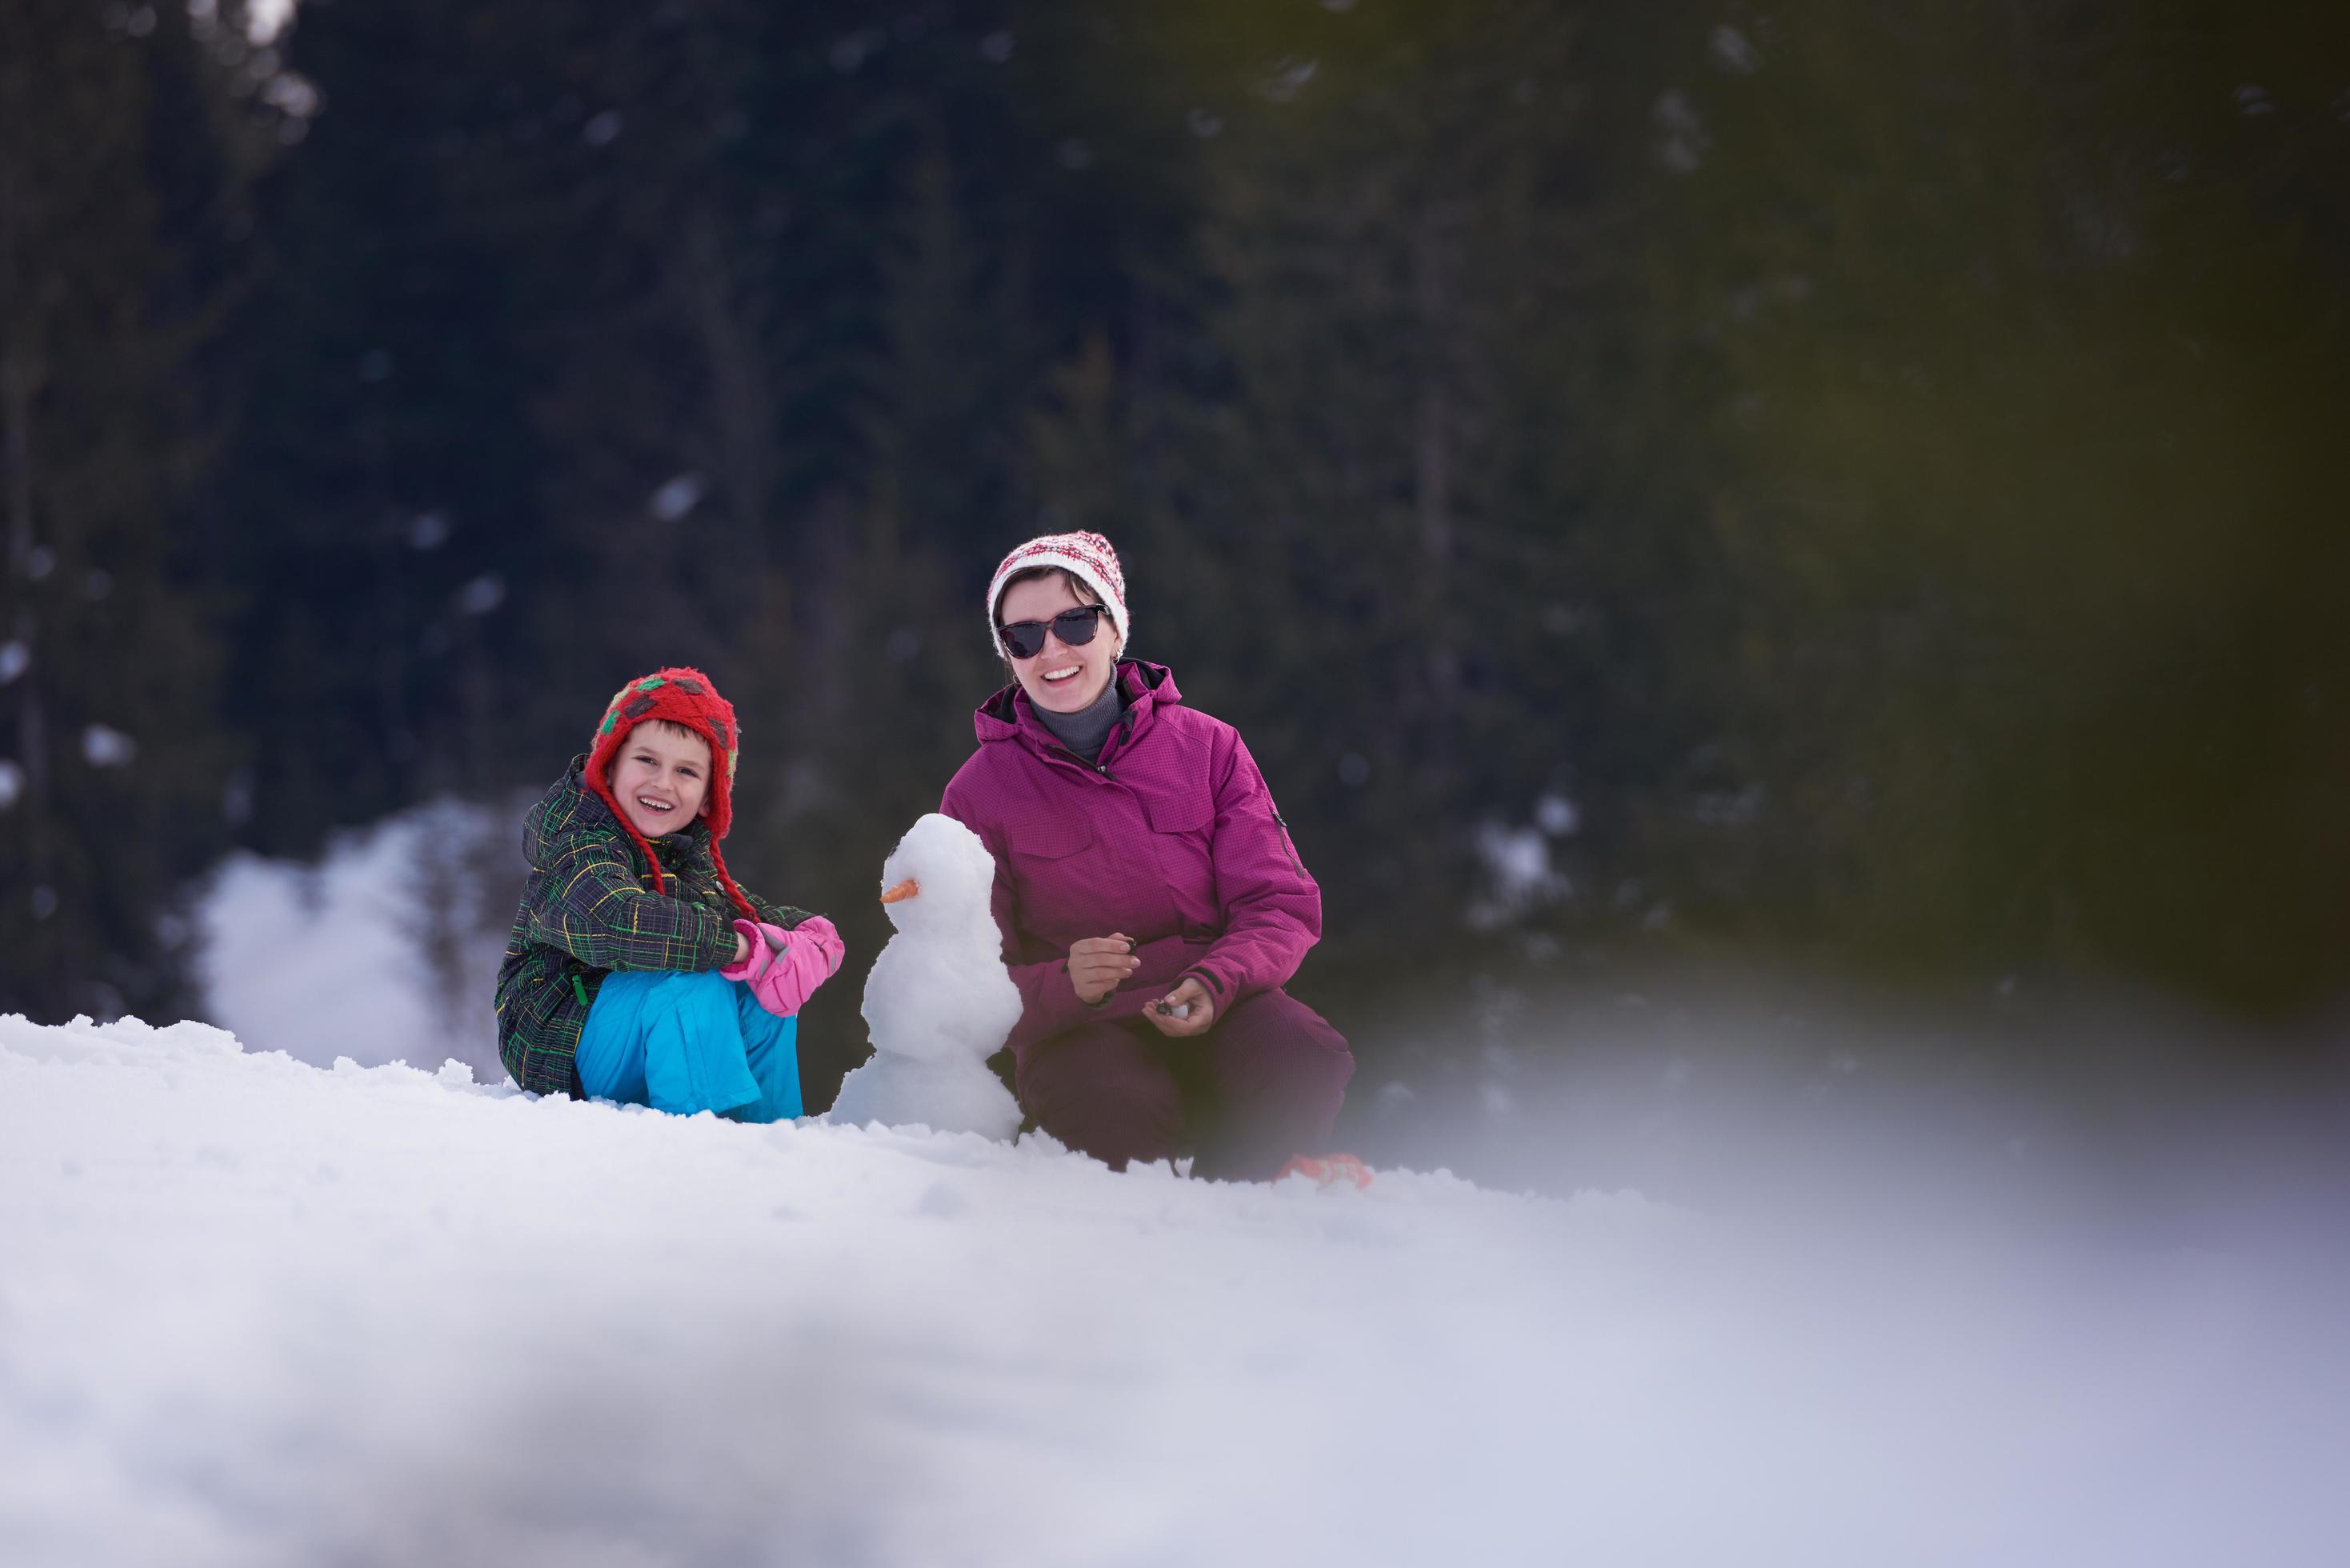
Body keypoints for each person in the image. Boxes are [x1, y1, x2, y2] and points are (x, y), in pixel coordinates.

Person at [940, 531, 1355, 1178]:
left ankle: (1258, 1198)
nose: (1051, 651)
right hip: (1079, 1036)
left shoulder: (1209, 748)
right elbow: (965, 979)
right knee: (1112, 1108)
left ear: (1114, 631)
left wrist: (1216, 983)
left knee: (1305, 1053)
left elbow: (1279, 903)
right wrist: (1065, 983)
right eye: (1023, 637)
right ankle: (1151, 1241)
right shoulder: (976, 794)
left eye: (1074, 624)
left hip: (1221, 1001)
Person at [494, 666, 843, 1119]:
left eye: (685, 771)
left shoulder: (682, 856)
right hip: (560, 1040)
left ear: (706, 798)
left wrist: (812, 940)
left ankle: (770, 1138)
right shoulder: (577, 840)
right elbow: (614, 920)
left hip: (634, 1033)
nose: (662, 783)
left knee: (765, 986)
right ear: (610, 764)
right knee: (692, 978)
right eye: (647, 761)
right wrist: (739, 947)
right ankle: (702, 1148)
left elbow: (747, 910)